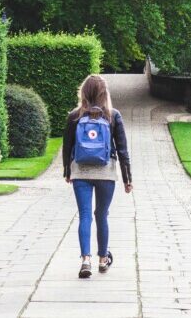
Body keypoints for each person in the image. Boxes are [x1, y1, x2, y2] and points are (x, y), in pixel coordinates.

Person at [62, 74, 132, 279]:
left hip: (81, 171)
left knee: (84, 216)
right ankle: (103, 259)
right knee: (101, 215)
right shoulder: (113, 116)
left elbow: (67, 148)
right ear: (104, 93)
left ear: (83, 92)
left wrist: (68, 171)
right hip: (106, 172)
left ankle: (86, 259)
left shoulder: (75, 116)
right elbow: (123, 150)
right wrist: (127, 179)